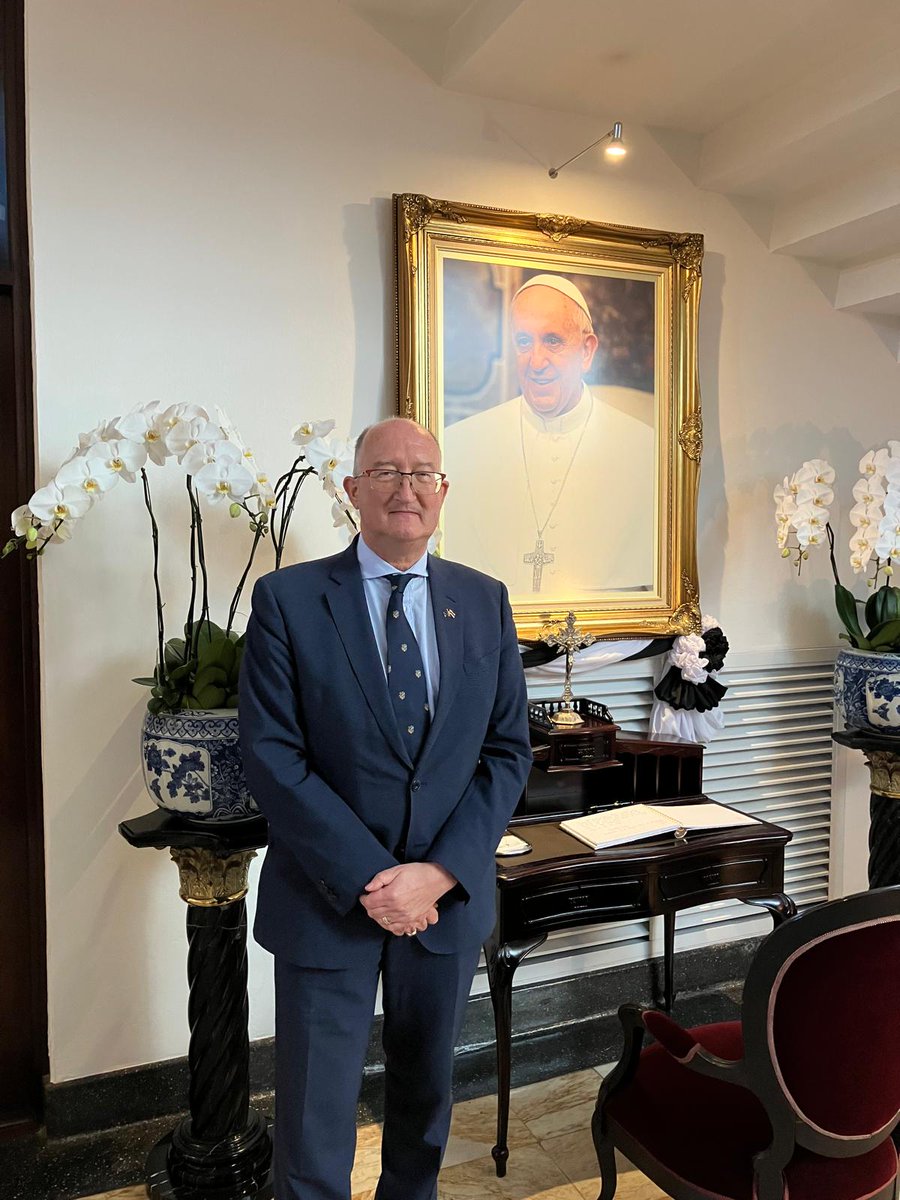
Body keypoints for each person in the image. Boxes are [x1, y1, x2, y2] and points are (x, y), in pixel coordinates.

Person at [239, 416, 532, 1200]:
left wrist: (437, 874)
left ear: (443, 492)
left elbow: (506, 752)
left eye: (423, 474)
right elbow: (273, 757)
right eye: (387, 473)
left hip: (442, 910)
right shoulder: (288, 601)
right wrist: (378, 878)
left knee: (423, 1116)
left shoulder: (485, 600)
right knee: (313, 1128)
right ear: (352, 491)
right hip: (326, 904)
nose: (407, 489)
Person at [443, 273, 655, 597]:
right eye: (524, 342)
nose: (536, 361)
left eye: (553, 341)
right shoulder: (461, 444)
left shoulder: (644, 450)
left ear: (587, 351)